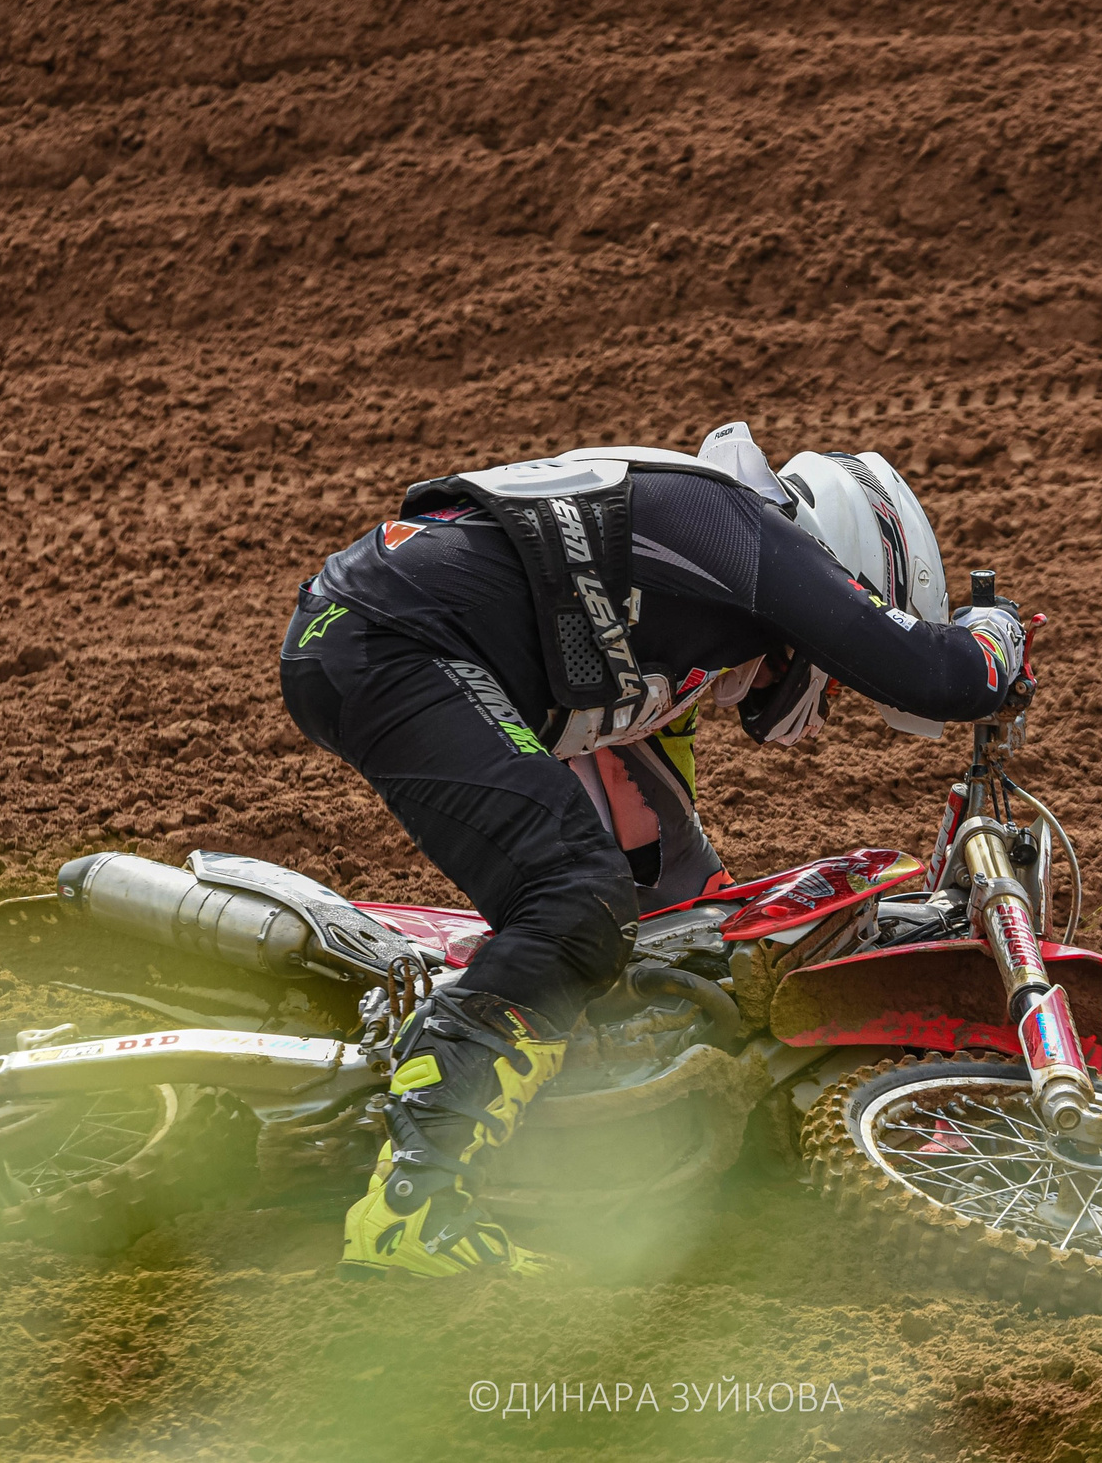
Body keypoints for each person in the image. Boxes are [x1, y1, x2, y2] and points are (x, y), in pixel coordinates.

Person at [278, 422, 1029, 1278]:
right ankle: (411, 1210)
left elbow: (670, 884)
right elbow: (938, 674)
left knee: (599, 912)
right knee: (570, 902)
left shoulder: (647, 650)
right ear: (852, 562)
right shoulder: (738, 523)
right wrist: (993, 630)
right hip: (394, 638)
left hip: (387, 639)